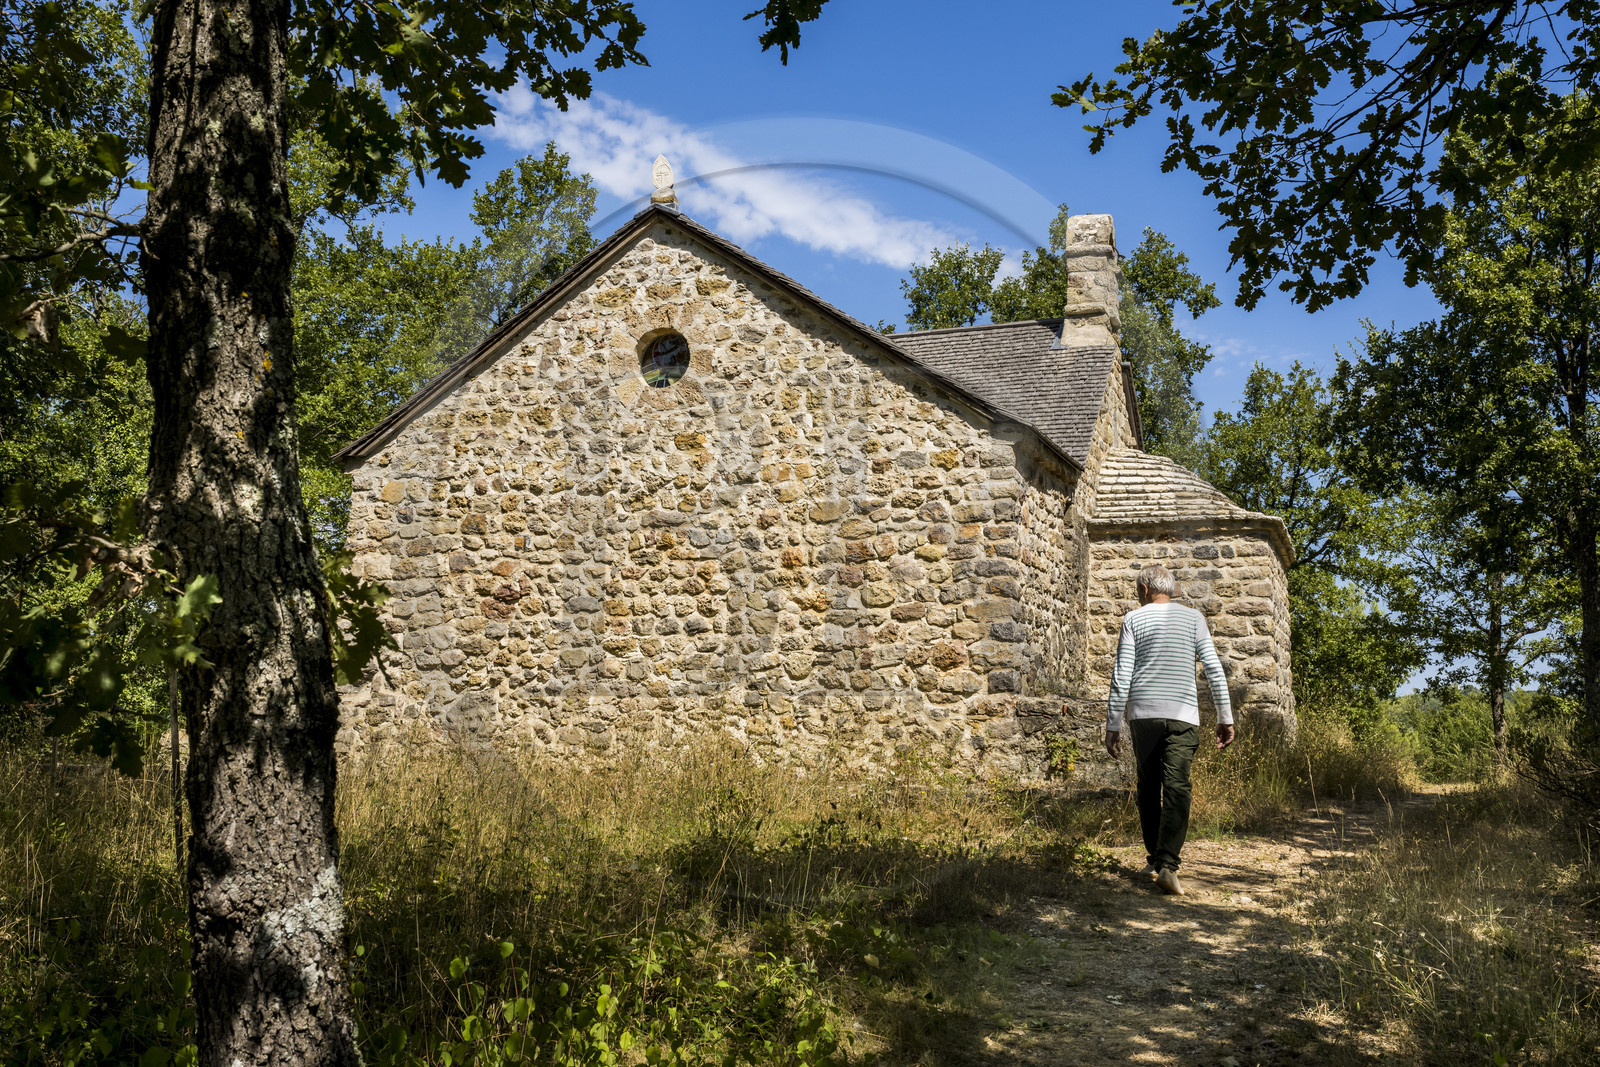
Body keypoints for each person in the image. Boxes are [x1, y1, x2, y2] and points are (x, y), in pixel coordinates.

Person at [1104, 563, 1235, 895]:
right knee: (1177, 787)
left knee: (1148, 787)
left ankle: (1157, 858)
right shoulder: (1194, 619)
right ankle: (1166, 864)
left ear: (1146, 590)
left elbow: (1122, 675)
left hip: (1144, 716)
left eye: (1138, 591)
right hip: (1182, 716)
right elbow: (1213, 669)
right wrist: (1225, 716)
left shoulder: (1133, 619)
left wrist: (1113, 724)